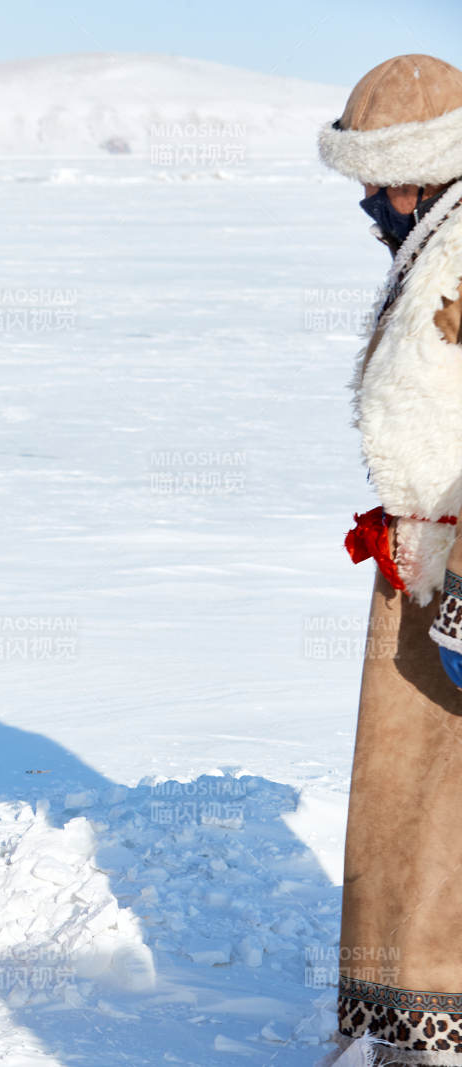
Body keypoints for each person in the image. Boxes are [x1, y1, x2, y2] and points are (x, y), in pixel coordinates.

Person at [326, 54, 462, 1061]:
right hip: (425, 567)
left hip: (454, 573)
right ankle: (409, 1018)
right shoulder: (434, 248)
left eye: (380, 179)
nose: (369, 199)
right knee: (408, 807)